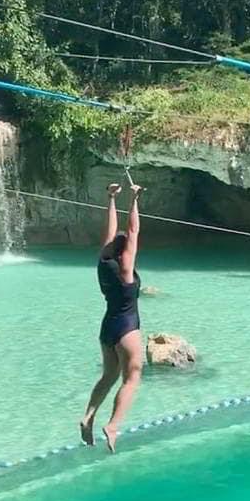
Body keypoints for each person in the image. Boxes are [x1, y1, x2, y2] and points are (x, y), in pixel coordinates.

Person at [79, 182, 144, 452]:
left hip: (107, 328)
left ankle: (88, 417)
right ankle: (113, 425)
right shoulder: (126, 270)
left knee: (109, 375)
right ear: (124, 252)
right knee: (132, 377)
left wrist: (111, 198)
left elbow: (110, 231)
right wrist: (134, 199)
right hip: (127, 328)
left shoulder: (104, 263)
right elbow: (133, 229)